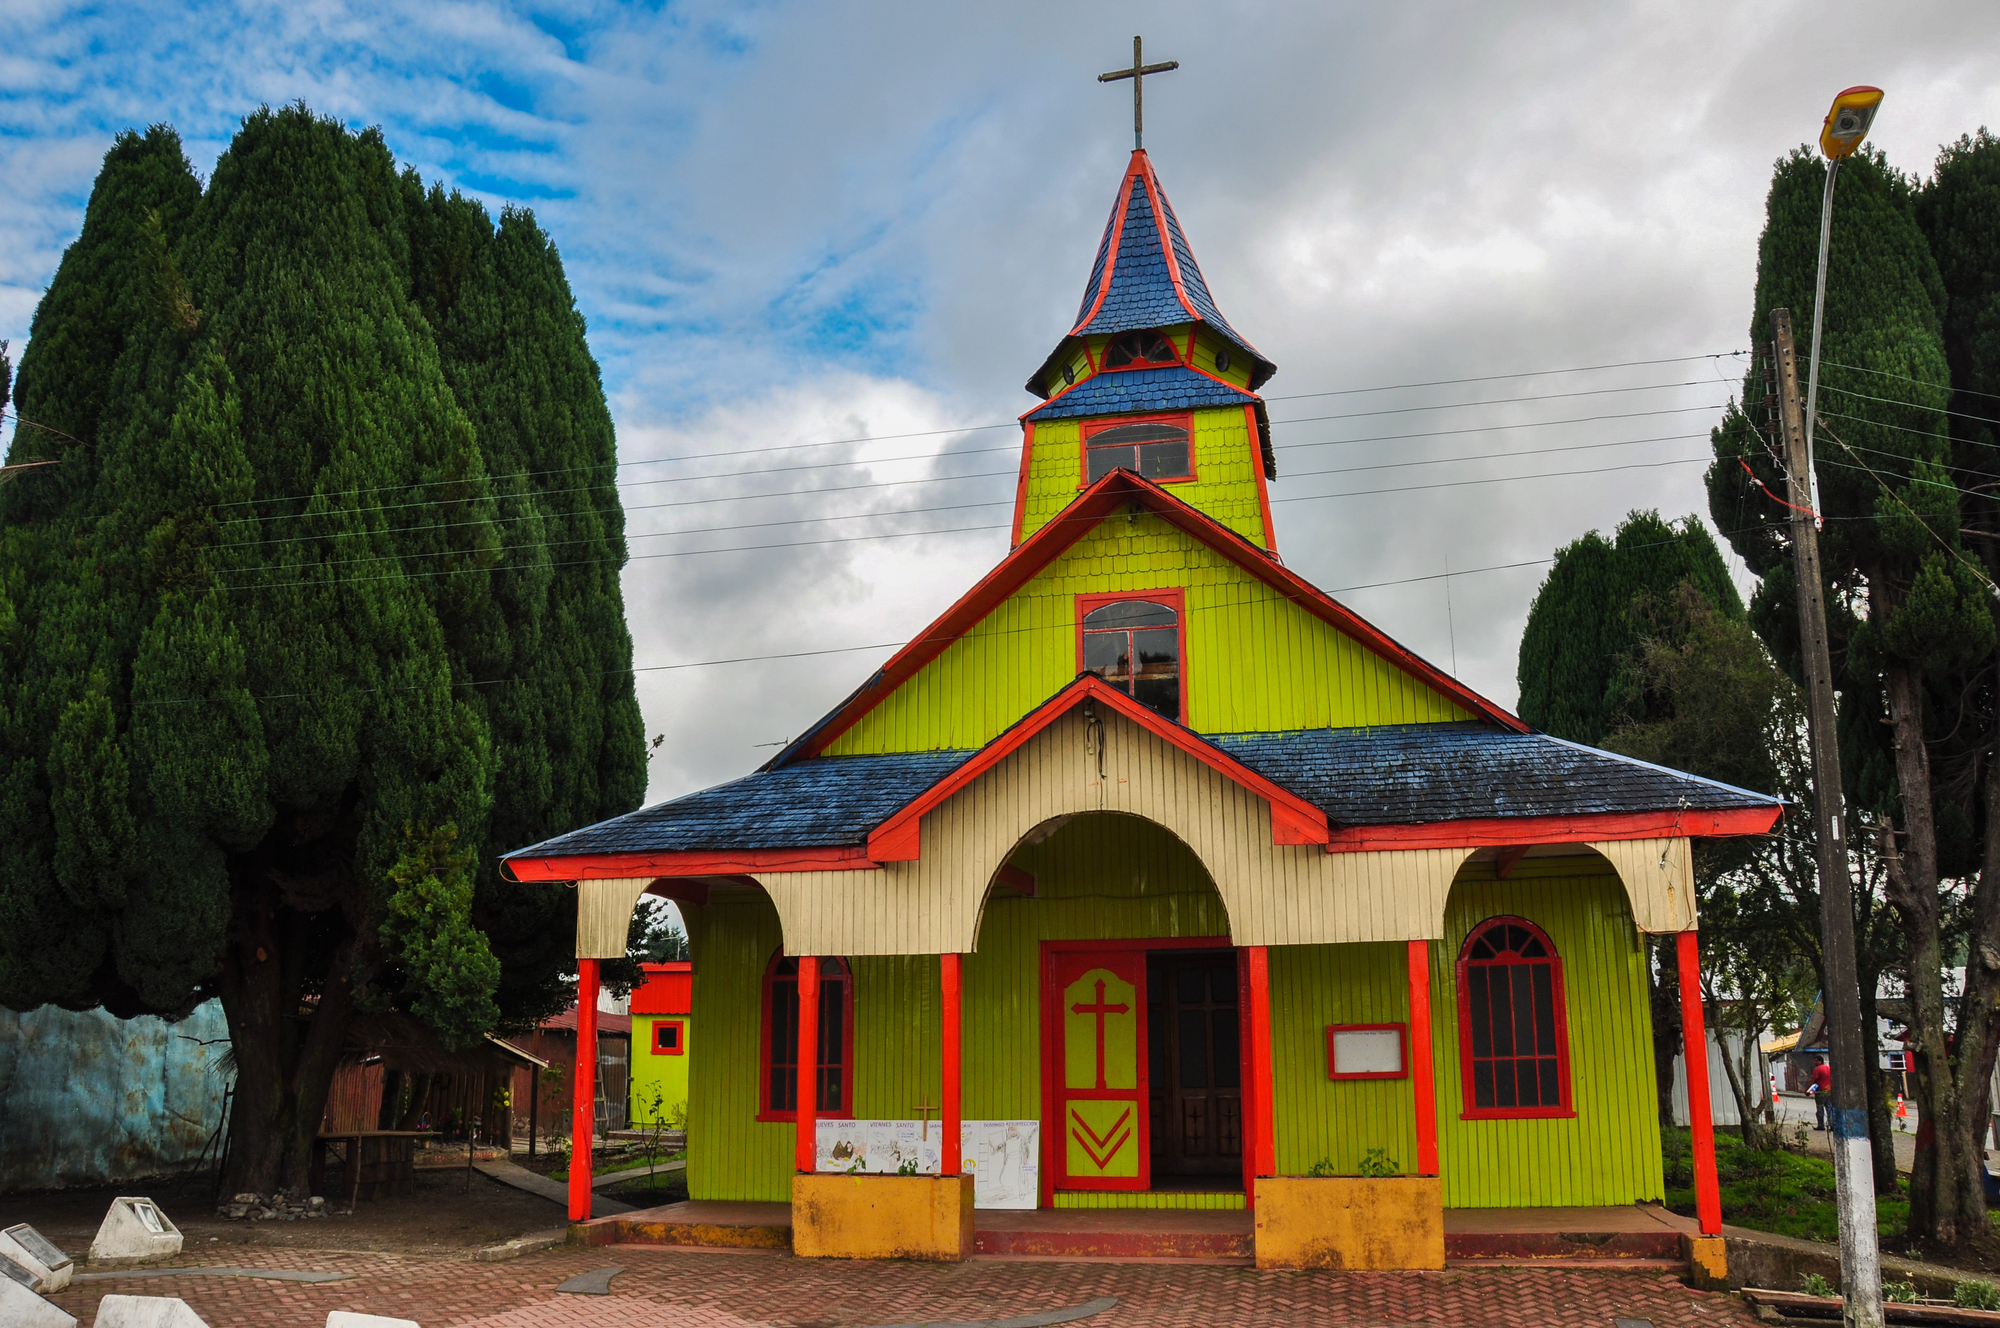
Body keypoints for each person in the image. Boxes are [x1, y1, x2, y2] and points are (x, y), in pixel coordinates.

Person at [1810, 1057, 1832, 1130]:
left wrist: (1807, 1089)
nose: (1814, 1062)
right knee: (1829, 1108)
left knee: (1820, 1108)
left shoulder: (1817, 1069)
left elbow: (1813, 1080)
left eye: (1816, 1061)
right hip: (1829, 1091)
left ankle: (1821, 1125)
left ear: (1820, 1061)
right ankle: (1832, 1125)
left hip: (1821, 1091)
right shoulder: (1829, 1068)